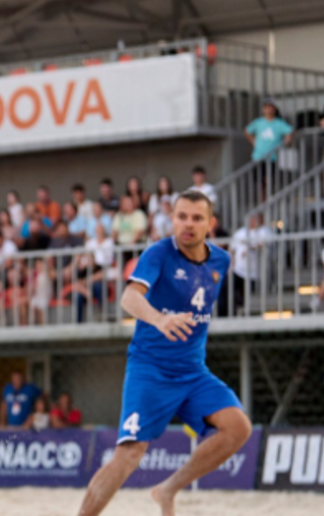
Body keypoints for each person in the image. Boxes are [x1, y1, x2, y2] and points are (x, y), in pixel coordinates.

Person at [76, 191, 251, 516]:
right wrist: (159, 319)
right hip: (150, 369)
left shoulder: (221, 261)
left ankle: (168, 489)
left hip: (192, 372)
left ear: (210, 224)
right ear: (172, 219)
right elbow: (129, 297)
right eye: (182, 216)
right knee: (129, 453)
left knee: (239, 428)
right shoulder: (157, 253)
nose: (188, 224)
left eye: (197, 218)